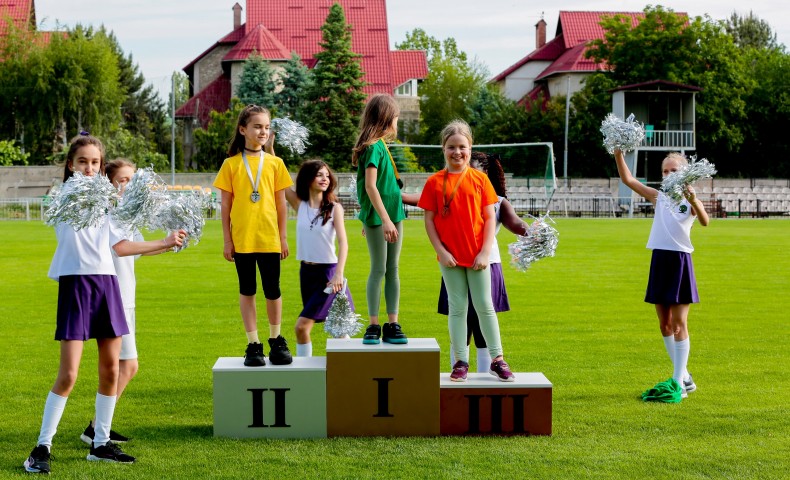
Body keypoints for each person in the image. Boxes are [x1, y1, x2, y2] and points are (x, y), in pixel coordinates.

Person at [24, 135, 184, 474]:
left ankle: (100, 444)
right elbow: (66, 206)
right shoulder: (63, 196)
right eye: (83, 161)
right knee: (68, 374)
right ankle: (42, 445)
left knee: (111, 369)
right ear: (71, 164)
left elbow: (121, 246)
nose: (89, 167)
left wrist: (166, 242)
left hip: (107, 284)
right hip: (76, 284)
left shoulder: (108, 203)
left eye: (95, 163)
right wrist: (98, 192)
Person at [78, 159, 187, 446]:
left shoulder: (125, 215)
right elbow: (122, 248)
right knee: (126, 366)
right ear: (109, 182)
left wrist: (168, 244)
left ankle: (99, 426)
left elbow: (137, 250)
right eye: (122, 180)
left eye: (131, 179)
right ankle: (96, 428)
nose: (127, 185)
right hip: (115, 299)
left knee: (122, 366)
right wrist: (163, 242)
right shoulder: (111, 213)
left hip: (125, 299)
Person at [417, 121, 515, 382]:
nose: (457, 152)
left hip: (476, 257)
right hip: (449, 257)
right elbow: (428, 220)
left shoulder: (481, 180)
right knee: (457, 307)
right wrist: (441, 251)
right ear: (443, 149)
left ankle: (498, 359)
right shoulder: (434, 182)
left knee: (485, 306)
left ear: (470, 149)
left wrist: (484, 252)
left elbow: (490, 218)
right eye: (451, 147)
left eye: (463, 147)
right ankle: (460, 360)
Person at [614, 149, 709, 399]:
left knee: (679, 325)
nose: (668, 175)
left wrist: (695, 199)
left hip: (679, 262)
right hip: (659, 260)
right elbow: (629, 180)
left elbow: (705, 221)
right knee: (664, 325)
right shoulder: (658, 197)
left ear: (684, 173)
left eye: (673, 170)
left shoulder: (688, 200)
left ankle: (678, 381)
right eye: (665, 171)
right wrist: (617, 153)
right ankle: (685, 376)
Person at [214, 104, 294, 367]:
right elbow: (225, 206)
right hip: (242, 240)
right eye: (257, 126)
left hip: (269, 238)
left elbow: (281, 204)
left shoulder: (275, 163)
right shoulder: (231, 165)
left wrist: (282, 238)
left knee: (273, 290)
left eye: (267, 127)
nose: (263, 131)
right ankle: (253, 344)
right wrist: (227, 240)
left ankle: (276, 340)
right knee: (247, 290)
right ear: (243, 129)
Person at [352, 94, 408, 345]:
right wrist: (381, 219)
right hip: (383, 217)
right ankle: (374, 325)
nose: (397, 122)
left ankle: (392, 323)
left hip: (393, 214)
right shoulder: (373, 147)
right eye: (396, 118)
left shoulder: (381, 146)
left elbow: (388, 189)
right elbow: (371, 187)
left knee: (393, 269)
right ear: (387, 119)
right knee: (379, 269)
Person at [282, 160, 352, 355]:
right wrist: (270, 150)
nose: (324, 179)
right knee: (337, 329)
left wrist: (338, 275)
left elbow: (343, 243)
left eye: (327, 175)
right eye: (319, 174)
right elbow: (281, 178)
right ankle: (346, 367)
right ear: (307, 178)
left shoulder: (334, 208)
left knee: (302, 327)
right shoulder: (300, 205)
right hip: (307, 273)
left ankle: (305, 372)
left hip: (328, 274)